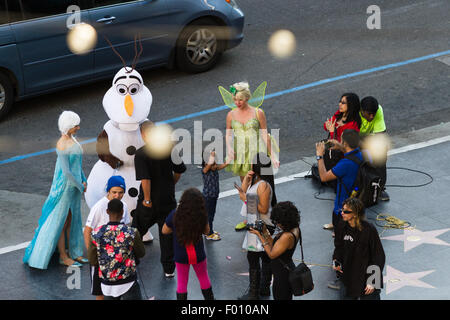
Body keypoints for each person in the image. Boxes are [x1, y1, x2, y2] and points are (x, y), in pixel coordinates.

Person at [23, 111, 87, 269]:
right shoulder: (62, 144)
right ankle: (63, 257)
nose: (78, 127)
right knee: (62, 222)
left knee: (73, 220)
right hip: (66, 189)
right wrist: (80, 185)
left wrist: (83, 180)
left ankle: (74, 252)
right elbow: (66, 172)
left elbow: (77, 166)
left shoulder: (72, 140)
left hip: (76, 186)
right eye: (75, 125)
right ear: (68, 127)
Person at [132, 120, 186, 278]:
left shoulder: (141, 153)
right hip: (167, 200)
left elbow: (145, 179)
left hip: (149, 203)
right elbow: (179, 171)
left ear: (143, 134)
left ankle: (132, 261)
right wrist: (171, 184)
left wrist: (147, 200)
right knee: (167, 234)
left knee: (136, 232)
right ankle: (169, 269)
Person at [225, 82, 279, 231]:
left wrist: (272, 155)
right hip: (241, 154)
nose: (237, 103)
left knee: (262, 185)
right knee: (247, 188)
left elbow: (264, 134)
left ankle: (268, 216)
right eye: (235, 100)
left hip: (257, 154)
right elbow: (228, 134)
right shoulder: (230, 114)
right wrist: (229, 149)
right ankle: (250, 218)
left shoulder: (258, 113)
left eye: (240, 100)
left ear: (247, 98)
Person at [235, 153, 277, 300]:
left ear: (255, 166)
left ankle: (254, 294)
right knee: (264, 258)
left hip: (261, 226)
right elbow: (245, 192)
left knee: (253, 259)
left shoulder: (263, 185)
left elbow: (263, 208)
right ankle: (264, 289)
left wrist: (245, 198)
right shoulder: (258, 181)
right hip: (258, 225)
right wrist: (246, 181)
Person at [84, 175, 131, 300]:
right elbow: (87, 230)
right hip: (101, 257)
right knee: (99, 291)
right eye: (114, 192)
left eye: (120, 192)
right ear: (108, 191)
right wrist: (92, 255)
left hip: (118, 257)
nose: (117, 196)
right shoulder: (99, 207)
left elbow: (125, 228)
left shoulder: (123, 206)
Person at [162, 188, 214, 300]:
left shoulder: (175, 214)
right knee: (203, 277)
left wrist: (176, 228)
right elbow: (207, 231)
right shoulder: (202, 215)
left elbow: (164, 230)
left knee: (182, 282)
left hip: (181, 255)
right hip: (198, 254)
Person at [88, 198, 145, 300]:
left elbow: (92, 260)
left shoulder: (96, 233)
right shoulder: (131, 232)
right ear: (122, 212)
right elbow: (141, 253)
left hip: (107, 284)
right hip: (128, 281)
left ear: (107, 212)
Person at [332, 197, 385, 300]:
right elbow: (338, 247)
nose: (342, 213)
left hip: (366, 277)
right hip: (348, 275)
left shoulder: (369, 230)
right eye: (342, 210)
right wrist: (335, 261)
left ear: (355, 214)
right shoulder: (341, 226)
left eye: (346, 211)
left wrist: (372, 281)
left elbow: (378, 256)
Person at [250, 201, 300, 300]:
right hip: (286, 268)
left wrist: (260, 235)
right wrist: (265, 232)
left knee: (281, 296)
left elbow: (272, 254)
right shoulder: (295, 229)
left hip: (282, 275)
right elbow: (275, 245)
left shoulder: (286, 236)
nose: (277, 224)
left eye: (278, 222)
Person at [315, 129, 362, 235]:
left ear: (345, 143)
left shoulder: (345, 164)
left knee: (341, 238)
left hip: (342, 206)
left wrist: (320, 156)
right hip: (356, 200)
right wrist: (341, 147)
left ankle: (339, 232)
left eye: (341, 141)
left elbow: (323, 177)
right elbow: (351, 154)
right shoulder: (363, 154)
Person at [359, 96, 389, 201]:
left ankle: (380, 187)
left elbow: (380, 135)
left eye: (373, 114)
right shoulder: (355, 112)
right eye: (369, 114)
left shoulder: (378, 110)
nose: (372, 117)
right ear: (362, 111)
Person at [201, 149, 230, 241]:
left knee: (211, 214)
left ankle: (209, 230)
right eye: (214, 163)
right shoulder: (205, 170)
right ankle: (209, 234)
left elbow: (225, 164)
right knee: (209, 215)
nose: (216, 165)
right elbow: (210, 164)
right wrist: (212, 155)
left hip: (213, 196)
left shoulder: (214, 168)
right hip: (208, 196)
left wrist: (231, 158)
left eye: (216, 163)